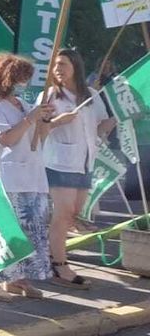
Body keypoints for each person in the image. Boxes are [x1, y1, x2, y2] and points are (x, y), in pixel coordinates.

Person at [0, 54, 57, 299]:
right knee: (2, 230)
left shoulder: (21, 104)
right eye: (21, 78)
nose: (25, 83)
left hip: (32, 174)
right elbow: (7, 139)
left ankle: (15, 278)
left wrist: (44, 119)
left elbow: (40, 137)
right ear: (7, 78)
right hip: (7, 175)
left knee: (28, 230)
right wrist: (30, 118)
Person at [43, 48, 113, 287]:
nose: (58, 69)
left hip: (85, 161)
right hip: (59, 160)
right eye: (55, 65)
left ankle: (51, 255)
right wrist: (56, 122)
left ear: (76, 67)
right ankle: (59, 265)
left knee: (73, 214)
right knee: (63, 214)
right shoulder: (51, 94)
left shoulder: (91, 94)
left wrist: (118, 118)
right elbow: (37, 129)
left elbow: (101, 125)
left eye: (63, 64)